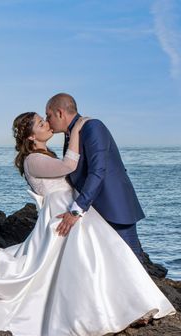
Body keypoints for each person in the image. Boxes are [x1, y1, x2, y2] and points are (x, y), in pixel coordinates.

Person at [0, 111, 174, 336]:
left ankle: (126, 305)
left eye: (46, 119)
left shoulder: (44, 156)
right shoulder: (32, 160)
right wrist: (74, 132)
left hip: (69, 210)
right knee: (79, 262)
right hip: (61, 212)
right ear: (31, 136)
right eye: (41, 123)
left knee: (97, 258)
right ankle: (98, 311)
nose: (46, 124)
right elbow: (69, 167)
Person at [44, 93, 147, 260]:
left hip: (114, 207)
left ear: (60, 113)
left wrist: (76, 211)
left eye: (48, 116)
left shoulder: (92, 127)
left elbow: (98, 171)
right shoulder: (72, 133)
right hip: (95, 210)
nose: (47, 121)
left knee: (131, 262)